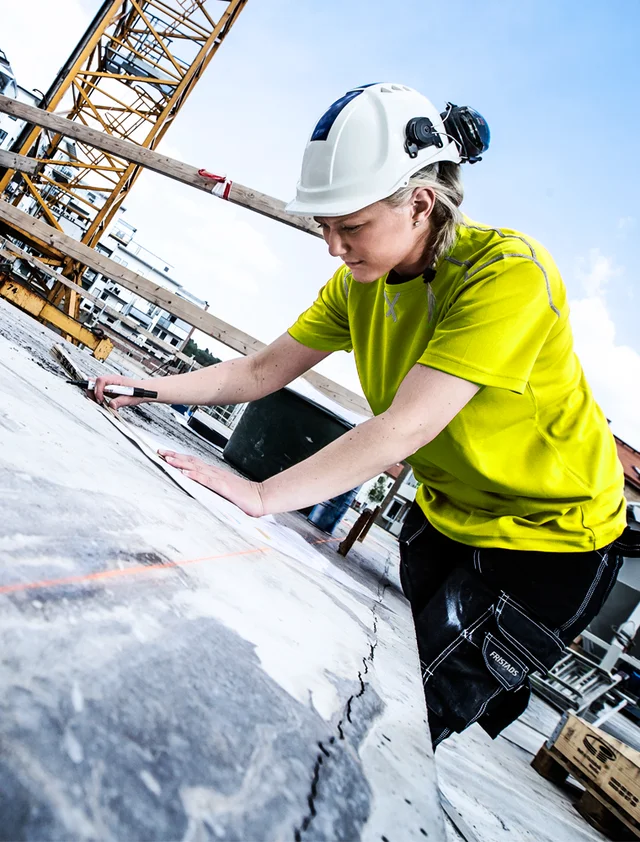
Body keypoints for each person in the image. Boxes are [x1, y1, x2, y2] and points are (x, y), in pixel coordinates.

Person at [94, 83, 627, 747]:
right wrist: (146, 389)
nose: (333, 246)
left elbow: (406, 426)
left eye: (350, 227)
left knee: (397, 721)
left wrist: (261, 495)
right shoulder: (357, 286)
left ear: (420, 204)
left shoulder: (507, 274)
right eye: (325, 226)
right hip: (449, 514)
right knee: (381, 672)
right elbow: (259, 372)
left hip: (553, 541)